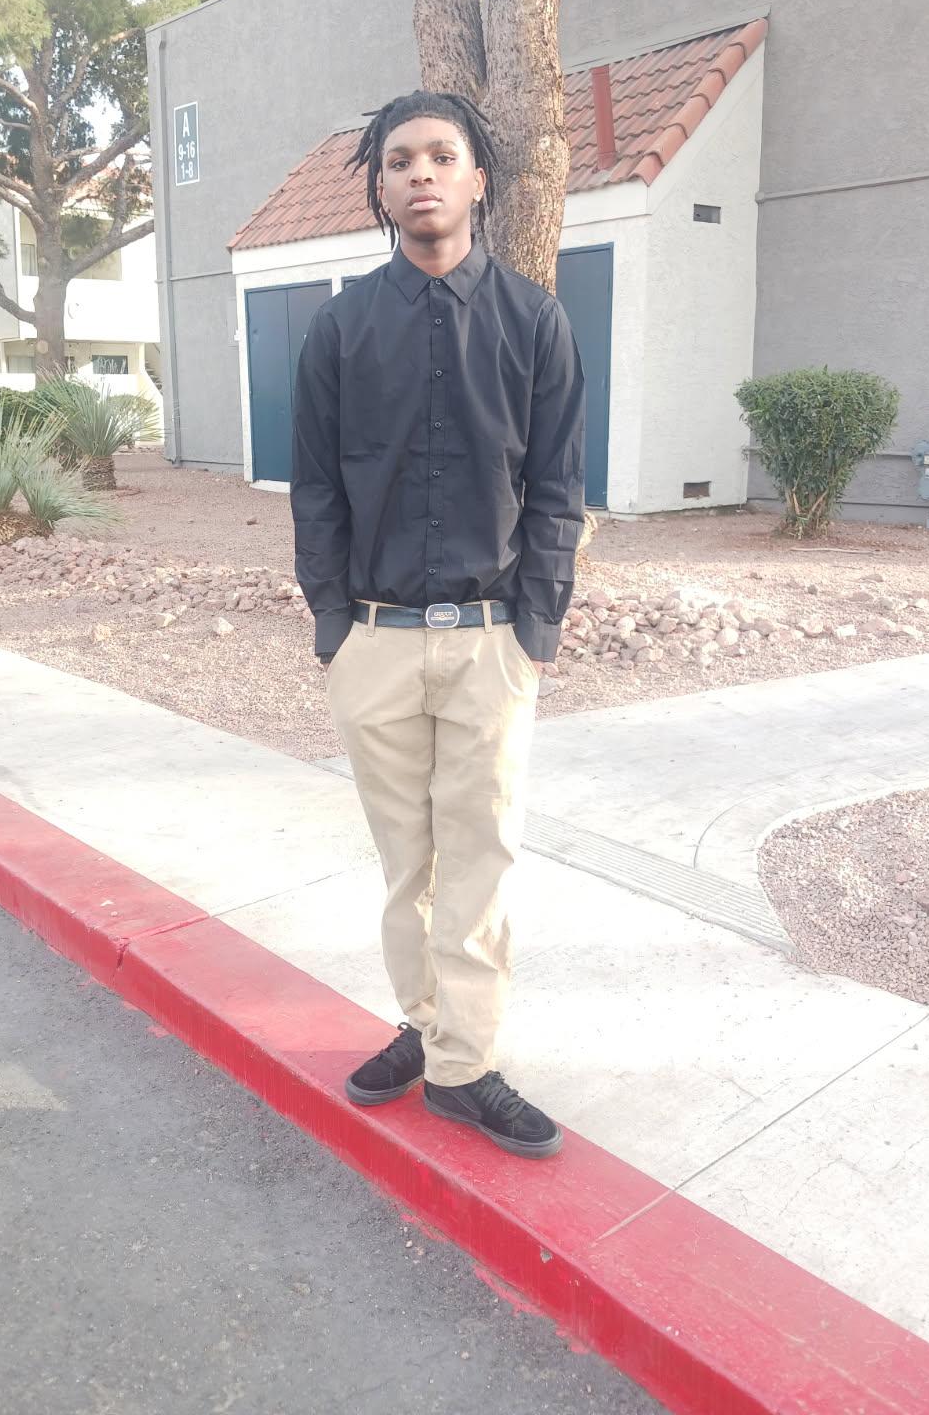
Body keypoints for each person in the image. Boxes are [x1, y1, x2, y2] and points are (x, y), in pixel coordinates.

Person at [291, 89, 585, 1160]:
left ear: (477, 179)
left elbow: (557, 489)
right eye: (401, 159)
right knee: (405, 864)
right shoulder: (338, 329)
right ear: (380, 186)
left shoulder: (535, 323)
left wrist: (534, 628)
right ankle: (426, 1027)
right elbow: (315, 491)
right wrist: (335, 626)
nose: (421, 173)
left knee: (478, 860)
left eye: (442, 155)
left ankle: (464, 1068)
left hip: (490, 639)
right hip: (373, 641)